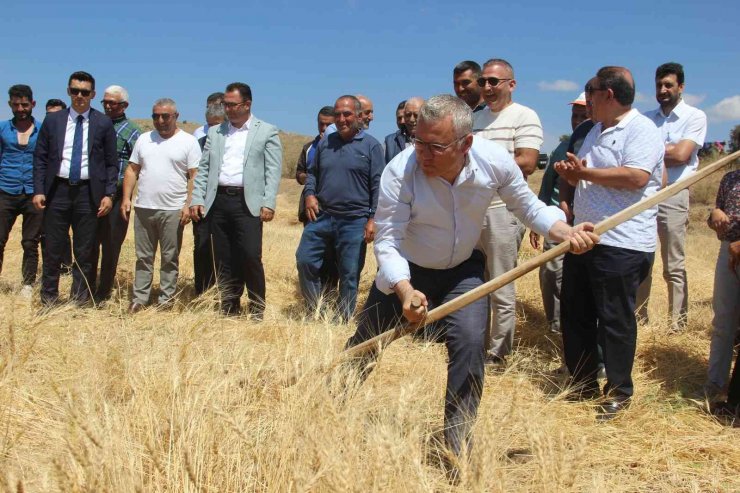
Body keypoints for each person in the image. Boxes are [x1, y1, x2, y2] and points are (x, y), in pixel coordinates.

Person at [345, 95, 598, 455]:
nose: (423, 154)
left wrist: (565, 231)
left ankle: (455, 444)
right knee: (365, 342)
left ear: (466, 143)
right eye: (419, 142)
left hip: (463, 270)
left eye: (436, 146)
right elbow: (388, 240)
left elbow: (527, 206)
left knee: (468, 344)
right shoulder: (400, 171)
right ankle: (334, 404)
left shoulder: (493, 161)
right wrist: (404, 291)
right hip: (406, 269)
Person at [556, 67, 664, 421]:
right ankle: (583, 382)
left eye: (591, 92)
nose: (586, 99)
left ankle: (619, 390)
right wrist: (574, 169)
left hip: (622, 242)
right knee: (576, 312)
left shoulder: (641, 129)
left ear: (609, 94)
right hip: (584, 238)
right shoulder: (593, 131)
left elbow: (637, 177)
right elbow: (589, 171)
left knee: (615, 318)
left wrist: (583, 174)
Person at [190, 82, 282, 319]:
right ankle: (229, 306)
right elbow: (205, 169)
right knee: (223, 256)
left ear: (247, 104)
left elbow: (273, 171)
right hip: (219, 201)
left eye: (232, 105)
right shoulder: (215, 132)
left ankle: (257, 308)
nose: (227, 109)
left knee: (250, 255)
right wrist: (197, 198)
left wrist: (268, 202)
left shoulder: (266, 131)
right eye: (225, 105)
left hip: (247, 203)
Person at [473, 58, 543, 365]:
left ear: (511, 84)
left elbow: (526, 161)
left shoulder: (524, 116)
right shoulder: (474, 119)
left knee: (501, 284)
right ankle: (473, 343)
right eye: (483, 81)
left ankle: (498, 352)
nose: (486, 87)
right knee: (474, 284)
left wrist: (481, 170)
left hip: (504, 210)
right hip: (472, 210)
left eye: (493, 81)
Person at [32, 71, 118, 307]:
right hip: (57, 191)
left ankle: (79, 301)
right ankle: (48, 299)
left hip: (88, 194)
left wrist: (109, 194)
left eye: (85, 92)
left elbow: (112, 163)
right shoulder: (53, 121)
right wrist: (38, 189)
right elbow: (40, 157)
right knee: (53, 248)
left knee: (85, 250)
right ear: (68, 91)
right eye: (75, 91)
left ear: (93, 94)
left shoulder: (103, 123)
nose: (79, 96)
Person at [296, 95, 383, 322]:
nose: (342, 119)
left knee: (349, 273)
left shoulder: (372, 146)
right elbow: (313, 173)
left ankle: (342, 320)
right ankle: (317, 310)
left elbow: (378, 185)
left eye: (347, 114)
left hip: (354, 220)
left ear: (358, 115)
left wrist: (373, 218)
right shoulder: (326, 142)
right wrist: (310, 195)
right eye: (338, 115)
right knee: (305, 259)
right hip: (322, 216)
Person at [636, 62, 708, 331]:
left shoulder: (695, 116)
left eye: (668, 85)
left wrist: (651, 151)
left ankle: (677, 325)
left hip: (674, 194)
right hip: (645, 194)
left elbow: (681, 155)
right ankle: (639, 321)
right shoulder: (645, 118)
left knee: (673, 264)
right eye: (658, 85)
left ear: (681, 87)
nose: (663, 90)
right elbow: (662, 153)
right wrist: (666, 149)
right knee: (642, 258)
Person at [120, 98, 200, 313]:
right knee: (143, 257)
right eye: (156, 116)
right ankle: (140, 298)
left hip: (173, 209)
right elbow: (132, 169)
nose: (160, 120)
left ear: (176, 116)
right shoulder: (144, 140)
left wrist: (187, 204)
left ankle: (166, 299)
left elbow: (195, 175)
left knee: (169, 257)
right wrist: (126, 198)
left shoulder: (188, 141)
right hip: (144, 207)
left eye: (166, 116)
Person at [529, 92, 588, 333]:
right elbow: (547, 183)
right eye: (574, 116)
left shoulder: (596, 143)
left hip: (586, 225)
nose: (577, 121)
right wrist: (537, 223)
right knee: (551, 272)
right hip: (557, 222)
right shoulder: (564, 146)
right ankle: (555, 325)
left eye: (583, 116)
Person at [89, 85, 141, 302]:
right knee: (88, 243)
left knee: (111, 245)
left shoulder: (133, 131)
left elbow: (136, 166)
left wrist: (126, 197)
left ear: (124, 105)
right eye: (105, 102)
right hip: (91, 193)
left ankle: (103, 291)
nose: (108, 106)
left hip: (118, 195)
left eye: (113, 103)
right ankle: (86, 287)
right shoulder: (94, 125)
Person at [0, 85, 43, 298]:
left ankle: (28, 283)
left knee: (30, 241)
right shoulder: (2, 129)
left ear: (32, 104)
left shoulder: (43, 130)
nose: (20, 108)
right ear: (10, 104)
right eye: (16, 104)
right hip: (5, 190)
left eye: (24, 104)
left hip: (33, 192)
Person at [295, 106, 339, 293]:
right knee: (310, 255)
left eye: (328, 124)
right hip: (312, 209)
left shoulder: (342, 147)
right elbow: (299, 174)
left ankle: (329, 293)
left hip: (335, 211)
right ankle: (313, 296)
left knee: (332, 257)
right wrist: (312, 176)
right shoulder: (309, 148)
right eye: (321, 123)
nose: (324, 128)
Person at [705, 169, 739, 401]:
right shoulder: (731, 178)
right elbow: (716, 216)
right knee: (723, 322)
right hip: (728, 253)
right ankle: (715, 383)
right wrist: (714, 214)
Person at [193, 102, 226, 296]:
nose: (213, 129)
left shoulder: (232, 144)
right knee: (202, 246)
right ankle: (202, 291)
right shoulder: (198, 143)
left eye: (217, 124)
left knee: (225, 248)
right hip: (203, 205)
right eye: (209, 124)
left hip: (225, 204)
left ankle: (225, 290)